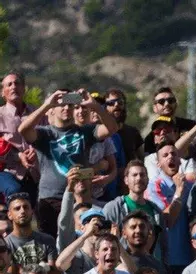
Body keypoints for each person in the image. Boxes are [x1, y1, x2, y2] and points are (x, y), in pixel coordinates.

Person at [19, 88, 120, 237]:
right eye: (61, 104)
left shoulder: (84, 132)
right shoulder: (45, 133)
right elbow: (23, 130)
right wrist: (46, 105)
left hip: (78, 199)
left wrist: (94, 105)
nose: (67, 108)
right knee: (52, 243)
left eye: (70, 105)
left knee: (81, 243)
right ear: (53, 108)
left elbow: (112, 128)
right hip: (51, 199)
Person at [146, 143, 194, 274]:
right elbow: (167, 220)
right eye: (165, 155)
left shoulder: (191, 186)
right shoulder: (154, 186)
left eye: (174, 154)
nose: (170, 157)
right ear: (158, 163)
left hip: (191, 258)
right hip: (168, 259)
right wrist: (179, 192)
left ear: (180, 160)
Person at [103, 161, 167, 248]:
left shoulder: (156, 211)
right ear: (126, 180)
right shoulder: (113, 208)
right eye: (134, 175)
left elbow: (163, 244)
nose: (139, 178)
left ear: (147, 180)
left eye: (142, 175)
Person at [4, 192, 60, 274]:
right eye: (17, 208)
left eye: (26, 207)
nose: (22, 211)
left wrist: (22, 272)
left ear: (32, 212)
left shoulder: (47, 240)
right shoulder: (5, 244)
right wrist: (44, 269)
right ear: (9, 215)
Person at [0, 72, 40, 194]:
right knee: (15, 192)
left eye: (17, 83)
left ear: (23, 89)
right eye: (9, 84)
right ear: (2, 92)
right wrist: (18, 156)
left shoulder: (37, 113)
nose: (13, 87)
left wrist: (37, 151)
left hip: (36, 173)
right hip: (8, 172)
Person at [142, 87, 196, 156]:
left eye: (170, 100)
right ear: (154, 108)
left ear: (176, 104)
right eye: (161, 102)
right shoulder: (150, 139)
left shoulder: (192, 126)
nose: (167, 104)